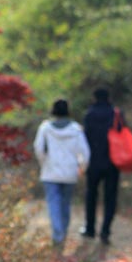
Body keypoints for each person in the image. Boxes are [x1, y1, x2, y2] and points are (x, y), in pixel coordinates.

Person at [33, 99, 90, 246]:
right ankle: (62, 231)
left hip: (50, 172)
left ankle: (57, 233)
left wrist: (44, 162)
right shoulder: (76, 129)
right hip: (70, 171)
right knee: (65, 204)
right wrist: (82, 167)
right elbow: (85, 152)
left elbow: (38, 148)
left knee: (53, 203)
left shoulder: (45, 128)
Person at [81, 88, 119, 245]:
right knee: (110, 197)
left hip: (94, 162)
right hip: (113, 161)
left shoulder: (89, 115)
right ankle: (105, 230)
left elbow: (83, 139)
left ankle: (90, 229)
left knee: (91, 195)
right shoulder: (116, 114)